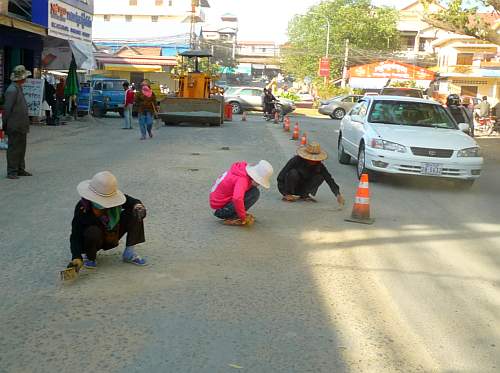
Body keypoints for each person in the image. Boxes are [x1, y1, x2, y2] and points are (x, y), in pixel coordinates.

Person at [65, 171, 148, 274]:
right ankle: (90, 257)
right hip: (93, 239)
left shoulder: (116, 200)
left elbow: (132, 201)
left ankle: (129, 253)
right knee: (92, 231)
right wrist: (76, 257)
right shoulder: (82, 208)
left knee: (134, 213)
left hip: (112, 234)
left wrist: (138, 207)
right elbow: (75, 235)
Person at [277, 142, 345, 205]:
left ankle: (304, 194)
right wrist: (285, 193)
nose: (313, 161)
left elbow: (329, 179)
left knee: (320, 176)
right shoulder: (296, 160)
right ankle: (289, 194)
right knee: (293, 173)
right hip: (291, 186)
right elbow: (280, 177)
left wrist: (338, 194)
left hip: (304, 187)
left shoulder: (319, 166)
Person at [210, 160, 274, 226]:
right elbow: (237, 198)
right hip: (221, 210)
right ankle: (232, 216)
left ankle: (235, 213)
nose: (259, 184)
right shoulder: (242, 180)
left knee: (253, 190)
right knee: (254, 193)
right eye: (259, 182)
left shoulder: (242, 171)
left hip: (219, 203)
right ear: (254, 177)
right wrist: (243, 217)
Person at [3, 65, 32, 180]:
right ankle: (12, 171)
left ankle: (20, 168)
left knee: (21, 148)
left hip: (21, 125)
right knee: (14, 148)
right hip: (14, 125)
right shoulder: (12, 90)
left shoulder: (18, 88)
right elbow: (7, 109)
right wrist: (4, 124)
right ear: (21, 78)